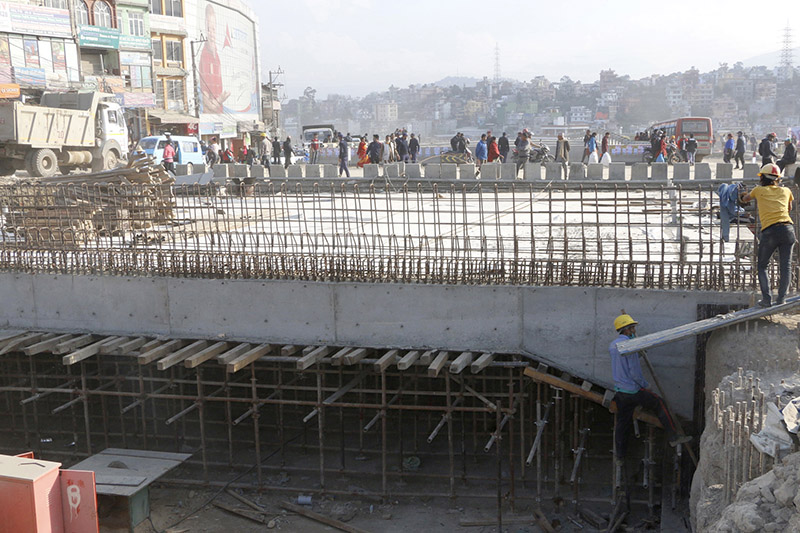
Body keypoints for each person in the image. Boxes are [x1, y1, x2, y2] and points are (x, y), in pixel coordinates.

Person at [609, 313, 691, 461]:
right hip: (633, 391)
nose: (634, 331)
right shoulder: (630, 347)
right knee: (659, 403)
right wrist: (646, 385)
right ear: (626, 330)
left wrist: (638, 354)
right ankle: (673, 436)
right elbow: (634, 373)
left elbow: (622, 363)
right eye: (632, 328)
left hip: (620, 392)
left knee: (622, 424)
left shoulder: (613, 346)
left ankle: (620, 455)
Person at [741, 164, 795, 307]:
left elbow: (745, 199)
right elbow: (789, 208)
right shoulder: (786, 190)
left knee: (762, 266)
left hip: (770, 231)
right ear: (778, 179)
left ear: (762, 178)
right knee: (786, 267)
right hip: (788, 230)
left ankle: (766, 300)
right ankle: (781, 299)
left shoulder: (758, 190)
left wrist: (742, 194)